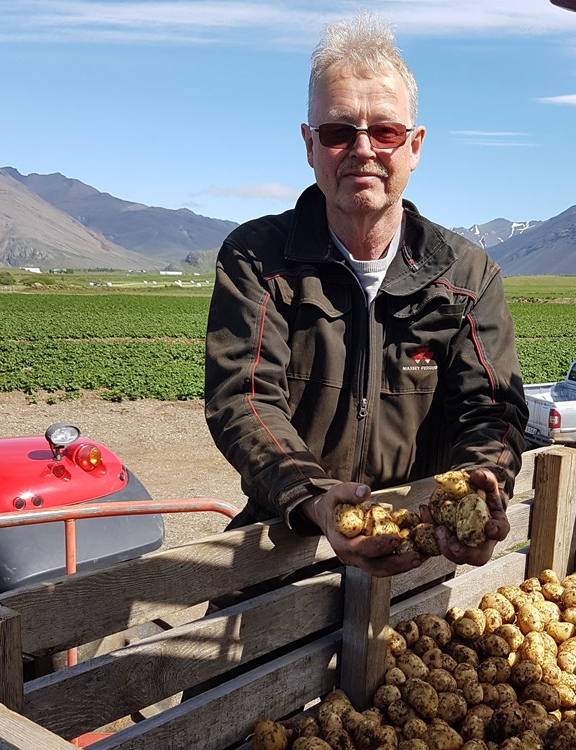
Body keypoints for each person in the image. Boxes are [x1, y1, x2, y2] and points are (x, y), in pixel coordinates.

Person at [204, 12, 528, 577]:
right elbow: (244, 398)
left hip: (420, 551)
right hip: (286, 543)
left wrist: (486, 483)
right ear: (310, 146)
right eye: (337, 132)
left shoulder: (466, 277)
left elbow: (492, 408)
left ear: (415, 144)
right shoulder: (259, 258)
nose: (362, 149)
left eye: (384, 131)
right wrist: (317, 499)